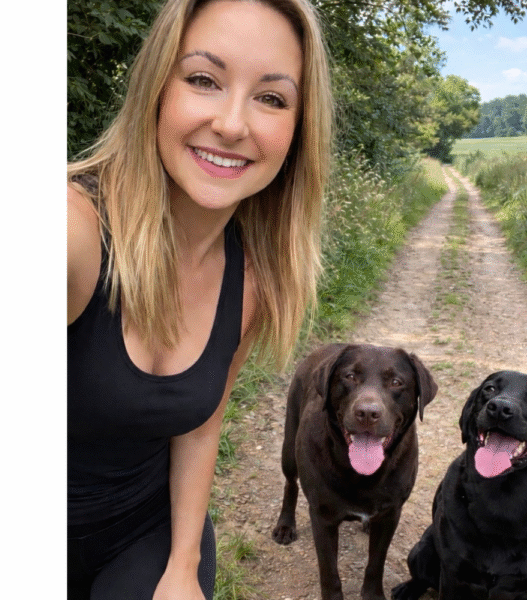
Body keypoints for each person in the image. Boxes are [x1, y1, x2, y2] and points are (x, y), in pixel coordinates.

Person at [66, 0, 332, 598]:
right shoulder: (75, 234)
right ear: (156, 88)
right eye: (204, 80)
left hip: (146, 534)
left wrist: (183, 566)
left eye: (271, 97)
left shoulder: (256, 279)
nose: (233, 124)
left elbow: (201, 420)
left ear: (298, 129)